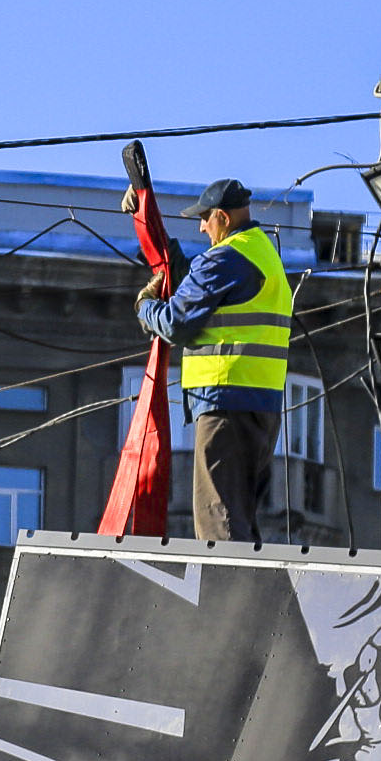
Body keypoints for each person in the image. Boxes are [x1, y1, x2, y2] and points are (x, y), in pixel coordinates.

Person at [135, 178, 290, 543]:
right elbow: (199, 283)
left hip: (225, 403)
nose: (202, 226)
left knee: (217, 518)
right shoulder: (260, 251)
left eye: (205, 218)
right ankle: (248, 593)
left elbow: (176, 322)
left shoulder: (226, 257)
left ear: (222, 216)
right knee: (240, 516)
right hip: (261, 404)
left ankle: (226, 595)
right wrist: (155, 240)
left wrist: (144, 307)